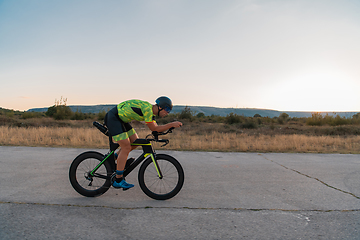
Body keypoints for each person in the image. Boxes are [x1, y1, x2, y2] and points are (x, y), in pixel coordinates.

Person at [105, 96, 182, 189]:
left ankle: (114, 158)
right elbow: (154, 128)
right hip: (114, 118)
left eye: (169, 110)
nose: (167, 112)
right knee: (126, 147)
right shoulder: (147, 110)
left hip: (122, 120)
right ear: (160, 107)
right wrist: (171, 124)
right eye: (167, 109)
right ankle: (118, 180)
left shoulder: (150, 112)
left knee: (135, 141)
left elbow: (156, 129)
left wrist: (168, 128)